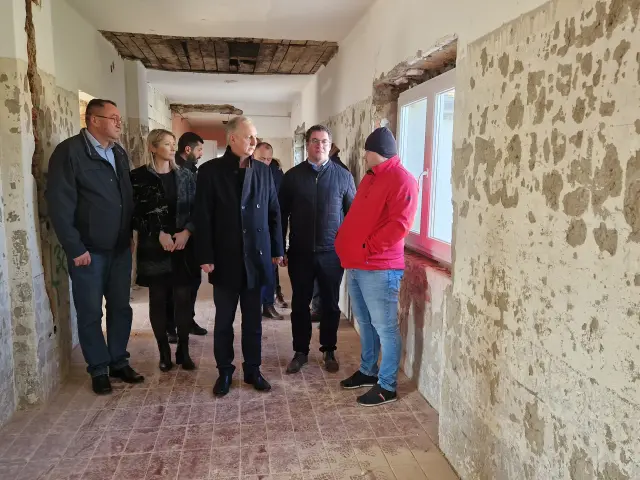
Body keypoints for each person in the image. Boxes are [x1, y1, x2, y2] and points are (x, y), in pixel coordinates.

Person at [46, 98, 144, 395]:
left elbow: (125, 197)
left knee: (121, 307)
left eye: (119, 118)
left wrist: (129, 234)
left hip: (119, 247)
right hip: (88, 250)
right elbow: (60, 203)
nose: (119, 123)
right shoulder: (70, 152)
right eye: (113, 118)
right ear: (94, 120)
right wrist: (74, 248)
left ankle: (118, 360)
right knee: (90, 311)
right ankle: (99, 368)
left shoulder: (118, 152)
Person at [195, 116, 284, 397]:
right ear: (232, 138)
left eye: (256, 136)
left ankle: (252, 369)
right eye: (249, 137)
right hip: (225, 256)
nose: (254, 142)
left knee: (253, 321)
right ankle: (224, 370)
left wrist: (277, 249)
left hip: (256, 256)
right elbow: (202, 216)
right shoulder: (209, 171)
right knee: (224, 321)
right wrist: (205, 255)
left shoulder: (264, 171)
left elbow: (274, 212)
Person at [335, 127, 418, 406]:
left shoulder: (402, 179)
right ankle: (368, 371)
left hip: (380, 267)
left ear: (377, 152)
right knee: (366, 323)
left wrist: (366, 247)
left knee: (385, 327)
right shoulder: (371, 177)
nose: (364, 156)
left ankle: (387, 386)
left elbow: (399, 225)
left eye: (367, 151)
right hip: (357, 264)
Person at [279, 125, 356, 374]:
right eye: (314, 141)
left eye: (324, 141)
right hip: (300, 252)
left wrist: (350, 250)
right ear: (307, 145)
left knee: (330, 305)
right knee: (300, 304)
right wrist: (280, 248)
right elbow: (281, 215)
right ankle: (300, 351)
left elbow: (353, 217)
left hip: (332, 254)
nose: (319, 145)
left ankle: (329, 349)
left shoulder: (343, 177)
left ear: (330, 145)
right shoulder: (292, 177)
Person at [131, 129, 199, 372]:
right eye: (167, 144)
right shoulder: (138, 177)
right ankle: (163, 352)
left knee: (183, 298)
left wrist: (187, 231)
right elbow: (133, 214)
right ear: (152, 147)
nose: (172, 148)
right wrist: (157, 233)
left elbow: (199, 209)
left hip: (182, 245)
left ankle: (183, 350)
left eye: (173, 144)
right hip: (154, 246)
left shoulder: (187, 176)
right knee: (158, 299)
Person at [165, 132, 208, 343]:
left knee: (193, 281)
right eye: (199, 150)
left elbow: (199, 205)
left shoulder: (193, 171)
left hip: (192, 236)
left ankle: (187, 320)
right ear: (188, 149)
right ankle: (171, 326)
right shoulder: (172, 171)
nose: (201, 154)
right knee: (174, 285)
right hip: (175, 236)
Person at [310, 142, 348, 323]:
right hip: (315, 241)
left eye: (324, 144)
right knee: (320, 285)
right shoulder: (303, 173)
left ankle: (322, 313)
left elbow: (349, 210)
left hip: (331, 242)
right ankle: (319, 310)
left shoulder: (341, 172)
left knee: (327, 288)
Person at [253, 142, 285, 320]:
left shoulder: (276, 173)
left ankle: (268, 304)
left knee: (270, 269)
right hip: (251, 229)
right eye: (261, 158)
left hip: (270, 227)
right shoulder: (246, 172)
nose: (265, 162)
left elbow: (279, 205)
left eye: (268, 159)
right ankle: (254, 306)